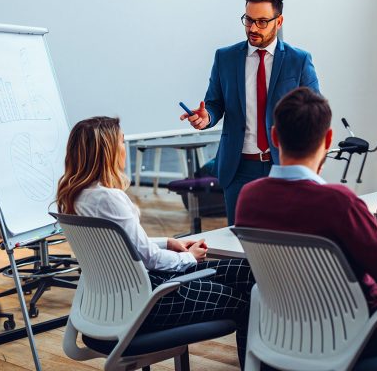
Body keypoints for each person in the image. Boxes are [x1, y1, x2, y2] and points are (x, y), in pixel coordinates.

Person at [235, 87, 377, 358]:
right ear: (328, 138)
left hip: (284, 332)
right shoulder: (338, 203)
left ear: (274, 136)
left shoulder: (248, 197)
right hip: (354, 336)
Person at [55, 117, 254, 367]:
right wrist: (189, 257)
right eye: (122, 142)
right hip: (148, 300)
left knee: (245, 271)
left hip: (121, 297)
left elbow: (123, 244)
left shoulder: (75, 196)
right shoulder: (109, 198)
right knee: (246, 301)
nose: (124, 148)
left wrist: (167, 242)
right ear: (108, 151)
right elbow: (149, 259)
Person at [180, 0, 319, 225]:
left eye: (262, 22)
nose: (253, 28)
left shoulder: (298, 60)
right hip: (239, 168)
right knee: (239, 238)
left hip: (283, 165)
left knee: (286, 237)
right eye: (248, 20)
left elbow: (315, 112)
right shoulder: (225, 58)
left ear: (279, 22)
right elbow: (214, 103)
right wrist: (206, 118)